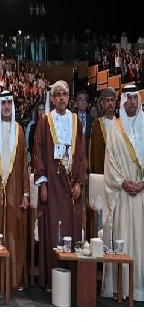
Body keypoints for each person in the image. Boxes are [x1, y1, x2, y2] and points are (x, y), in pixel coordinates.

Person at [33, 80, 87, 291]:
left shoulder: (76, 122)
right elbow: (39, 154)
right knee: (52, 230)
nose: (62, 98)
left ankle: (70, 282)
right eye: (58, 95)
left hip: (71, 185)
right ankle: (52, 280)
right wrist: (43, 184)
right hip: (52, 185)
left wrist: (80, 181)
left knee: (70, 230)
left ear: (68, 98)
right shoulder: (44, 122)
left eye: (65, 94)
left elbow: (81, 154)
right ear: (53, 99)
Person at [0, 91, 30, 291]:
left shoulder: (19, 130)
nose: (7, 106)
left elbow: (25, 165)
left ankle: (14, 280)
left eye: (10, 102)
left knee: (14, 234)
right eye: (4, 103)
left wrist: (26, 193)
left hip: (15, 191)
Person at [100, 85, 144, 302]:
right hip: (122, 193)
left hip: (142, 193)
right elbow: (110, 162)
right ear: (123, 101)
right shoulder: (114, 129)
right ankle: (121, 287)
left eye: (135, 98)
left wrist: (142, 183)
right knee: (123, 237)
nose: (132, 102)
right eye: (129, 98)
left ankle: (139, 288)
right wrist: (123, 182)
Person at [88, 87, 118, 174]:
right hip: (102, 170)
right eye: (107, 100)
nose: (110, 103)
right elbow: (92, 151)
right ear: (102, 103)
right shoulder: (96, 125)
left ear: (115, 103)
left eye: (112, 100)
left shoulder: (121, 124)